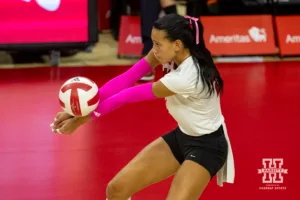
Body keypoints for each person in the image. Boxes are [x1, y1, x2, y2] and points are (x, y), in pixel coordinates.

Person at [51, 14, 235, 200]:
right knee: (117, 189)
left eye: (157, 44)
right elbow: (127, 78)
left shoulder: (187, 77)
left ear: (177, 45)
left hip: (208, 147)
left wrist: (82, 120)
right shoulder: (172, 53)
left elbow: (127, 96)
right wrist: (75, 110)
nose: (153, 49)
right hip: (182, 137)